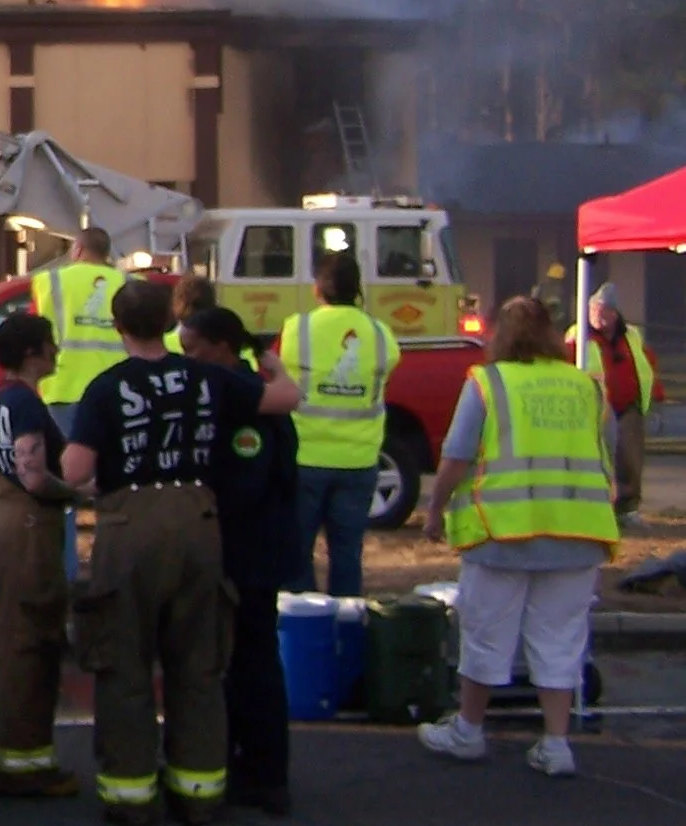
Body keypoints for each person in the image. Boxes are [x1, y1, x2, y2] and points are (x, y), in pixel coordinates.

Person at [62, 281, 302, 826]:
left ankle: (132, 795)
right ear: (170, 324)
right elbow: (285, 399)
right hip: (199, 521)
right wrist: (272, 363)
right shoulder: (208, 378)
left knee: (124, 660)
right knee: (198, 661)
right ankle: (199, 792)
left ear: (118, 327)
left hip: (132, 522)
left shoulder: (107, 388)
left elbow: (76, 471)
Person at [419, 296, 619, 778]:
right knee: (560, 638)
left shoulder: (488, 384)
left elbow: (456, 457)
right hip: (577, 533)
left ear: (500, 336)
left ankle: (468, 730)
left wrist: (434, 511)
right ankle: (556, 743)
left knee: (486, 633)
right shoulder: (587, 388)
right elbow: (608, 454)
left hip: (501, 532)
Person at [183, 303, 300, 816]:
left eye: (194, 348)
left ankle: (263, 774)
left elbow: (245, 484)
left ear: (223, 348)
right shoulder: (247, 391)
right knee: (238, 661)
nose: (187, 358)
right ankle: (240, 763)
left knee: (250, 661)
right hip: (248, 547)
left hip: (246, 551)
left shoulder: (243, 402)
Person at [0, 313, 80, 798]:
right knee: (31, 646)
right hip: (29, 528)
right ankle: (27, 765)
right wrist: (81, 492)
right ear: (34, 352)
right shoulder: (29, 406)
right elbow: (34, 475)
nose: (56, 350)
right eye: (50, 343)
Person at [281, 252, 401, 597]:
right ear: (357, 288)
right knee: (347, 556)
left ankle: (306, 634)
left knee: (297, 556)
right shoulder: (380, 334)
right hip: (359, 461)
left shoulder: (298, 328)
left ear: (318, 288)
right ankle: (345, 631)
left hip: (305, 458)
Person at [567, 282, 663, 527]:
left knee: (630, 459)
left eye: (604, 310)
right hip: (596, 409)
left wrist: (656, 396)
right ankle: (598, 509)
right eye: (594, 310)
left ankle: (627, 509)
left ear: (615, 313)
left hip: (629, 406)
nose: (598, 315)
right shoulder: (578, 335)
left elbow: (646, 363)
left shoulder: (631, 335)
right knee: (598, 459)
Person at [34, 226, 126, 428]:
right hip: (119, 388)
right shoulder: (129, 282)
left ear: (77, 249)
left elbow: (33, 328)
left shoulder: (48, 281)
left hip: (64, 388)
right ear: (106, 253)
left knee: (70, 455)